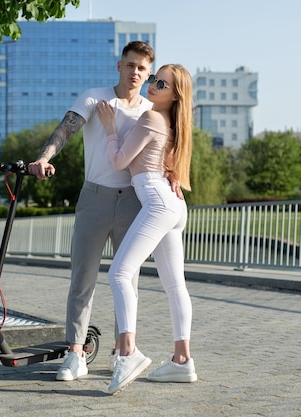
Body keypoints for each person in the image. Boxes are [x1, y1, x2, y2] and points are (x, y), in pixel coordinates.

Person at [29, 41, 171, 382]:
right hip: (94, 198)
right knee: (83, 280)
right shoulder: (95, 97)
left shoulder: (151, 111)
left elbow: (165, 151)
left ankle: (124, 353)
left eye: (142, 68)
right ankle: (75, 355)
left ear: (148, 73)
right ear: (119, 65)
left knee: (128, 281)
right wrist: (44, 158)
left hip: (134, 202)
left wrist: (174, 178)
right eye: (130, 65)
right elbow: (66, 129)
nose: (135, 72)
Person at [96, 64, 196, 394]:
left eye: (160, 82)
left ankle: (128, 352)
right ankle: (183, 361)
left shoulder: (151, 118)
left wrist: (110, 127)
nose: (153, 85)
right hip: (172, 204)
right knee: (174, 285)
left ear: (174, 94)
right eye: (154, 79)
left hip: (157, 201)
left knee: (119, 274)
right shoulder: (172, 124)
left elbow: (119, 161)